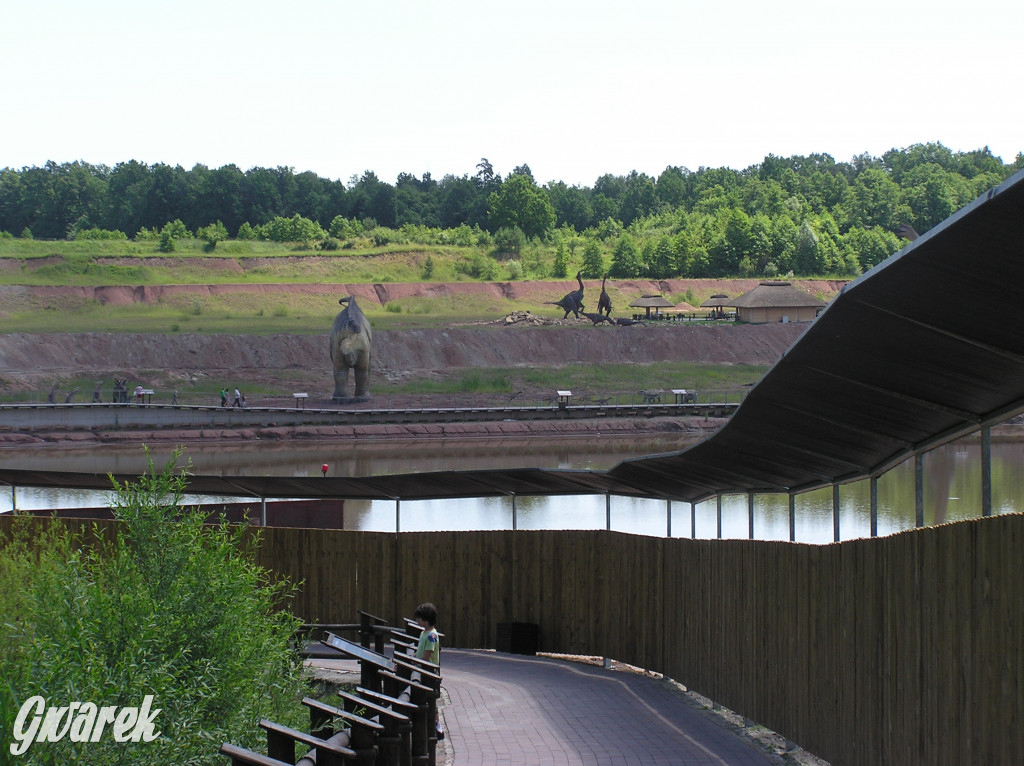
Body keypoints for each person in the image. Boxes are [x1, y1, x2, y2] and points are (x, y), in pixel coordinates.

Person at [414, 602, 443, 739]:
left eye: (419, 618)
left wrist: (415, 661)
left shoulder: (432, 635)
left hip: (429, 672)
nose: (417, 620)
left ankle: (435, 724)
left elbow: (427, 656)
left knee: (430, 699)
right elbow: (420, 651)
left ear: (425, 619)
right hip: (422, 670)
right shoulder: (423, 633)